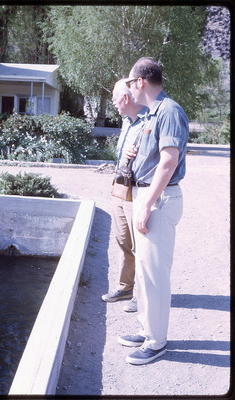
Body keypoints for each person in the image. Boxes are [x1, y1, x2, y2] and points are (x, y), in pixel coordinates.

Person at [118, 57, 189, 364]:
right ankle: (148, 329)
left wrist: (146, 205)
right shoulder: (150, 114)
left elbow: (169, 162)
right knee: (146, 274)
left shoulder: (169, 111)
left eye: (130, 83)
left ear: (141, 83)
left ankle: (157, 342)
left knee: (155, 275)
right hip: (148, 197)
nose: (129, 89)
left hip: (158, 200)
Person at [101, 79, 147, 313]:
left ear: (125, 98)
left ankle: (141, 295)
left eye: (114, 99)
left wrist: (136, 156)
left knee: (140, 245)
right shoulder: (127, 123)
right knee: (122, 240)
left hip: (136, 190)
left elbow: (157, 159)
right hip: (120, 186)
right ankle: (125, 287)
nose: (113, 104)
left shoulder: (148, 121)